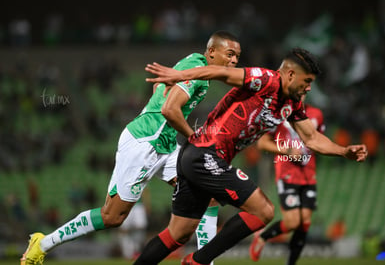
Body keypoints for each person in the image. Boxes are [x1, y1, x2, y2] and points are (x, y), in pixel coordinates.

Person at [20, 30, 241, 265]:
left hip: (164, 145)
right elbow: (170, 110)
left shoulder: (195, 69)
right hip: (144, 143)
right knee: (112, 217)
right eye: (229, 54)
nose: (234, 61)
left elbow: (162, 92)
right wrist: (195, 138)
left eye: (237, 56)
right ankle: (42, 244)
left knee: (208, 194)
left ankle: (205, 261)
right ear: (211, 52)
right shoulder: (196, 68)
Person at [134, 47, 368, 265]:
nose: (308, 88)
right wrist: (179, 75)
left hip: (196, 157)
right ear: (289, 74)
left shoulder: (292, 105)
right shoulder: (266, 79)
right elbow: (222, 72)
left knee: (178, 234)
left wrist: (343, 151)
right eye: (306, 82)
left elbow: (312, 138)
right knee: (263, 211)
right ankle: (198, 262)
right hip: (205, 153)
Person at [248, 95, 325, 264]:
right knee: (292, 222)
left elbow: (320, 140)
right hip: (286, 173)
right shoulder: (278, 114)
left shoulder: (316, 114)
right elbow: (262, 144)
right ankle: (263, 237)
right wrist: (287, 150)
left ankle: (290, 263)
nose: (302, 92)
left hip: (308, 174)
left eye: (305, 89)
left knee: (305, 221)